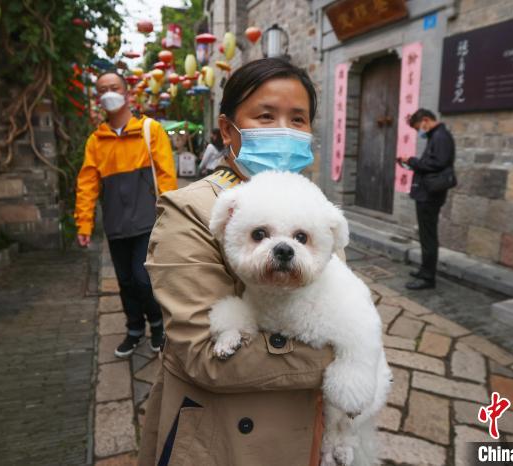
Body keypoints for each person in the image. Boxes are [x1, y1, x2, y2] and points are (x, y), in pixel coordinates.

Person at [138, 58, 334, 466]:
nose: (284, 129)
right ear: (229, 130)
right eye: (266, 116)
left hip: (309, 423)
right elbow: (207, 356)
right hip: (227, 436)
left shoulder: (313, 205)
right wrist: (348, 358)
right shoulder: (192, 211)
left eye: (298, 119)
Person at [75, 71, 178, 357]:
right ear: (99, 99)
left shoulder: (150, 130)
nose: (109, 93)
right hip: (115, 224)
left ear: (127, 93)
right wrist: (84, 225)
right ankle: (134, 329)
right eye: (103, 89)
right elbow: (86, 185)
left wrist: (171, 215)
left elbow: (166, 175)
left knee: (143, 278)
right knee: (125, 281)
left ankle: (157, 325)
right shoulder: (96, 141)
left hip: (147, 221)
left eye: (114, 87)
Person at [397, 108, 455, 291]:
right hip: (426, 193)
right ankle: (424, 270)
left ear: (426, 120)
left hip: (431, 195)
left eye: (418, 127)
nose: (418, 131)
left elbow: (438, 163)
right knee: (425, 234)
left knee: (428, 236)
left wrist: (412, 160)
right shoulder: (435, 136)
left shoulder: (441, 136)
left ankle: (428, 277)